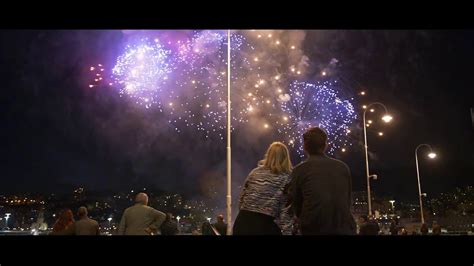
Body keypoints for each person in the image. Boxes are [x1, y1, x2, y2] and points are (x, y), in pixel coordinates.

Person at [288, 127, 356, 235]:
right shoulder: (342, 167)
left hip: (314, 227)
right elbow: (347, 200)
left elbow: (296, 204)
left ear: (305, 146)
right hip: (345, 227)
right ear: (325, 145)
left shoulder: (299, 170)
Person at [233, 142, 293, 235]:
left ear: (268, 155)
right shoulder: (287, 177)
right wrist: (287, 232)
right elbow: (285, 209)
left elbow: (242, 199)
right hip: (265, 225)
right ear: (286, 158)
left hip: (242, 222)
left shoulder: (254, 172)